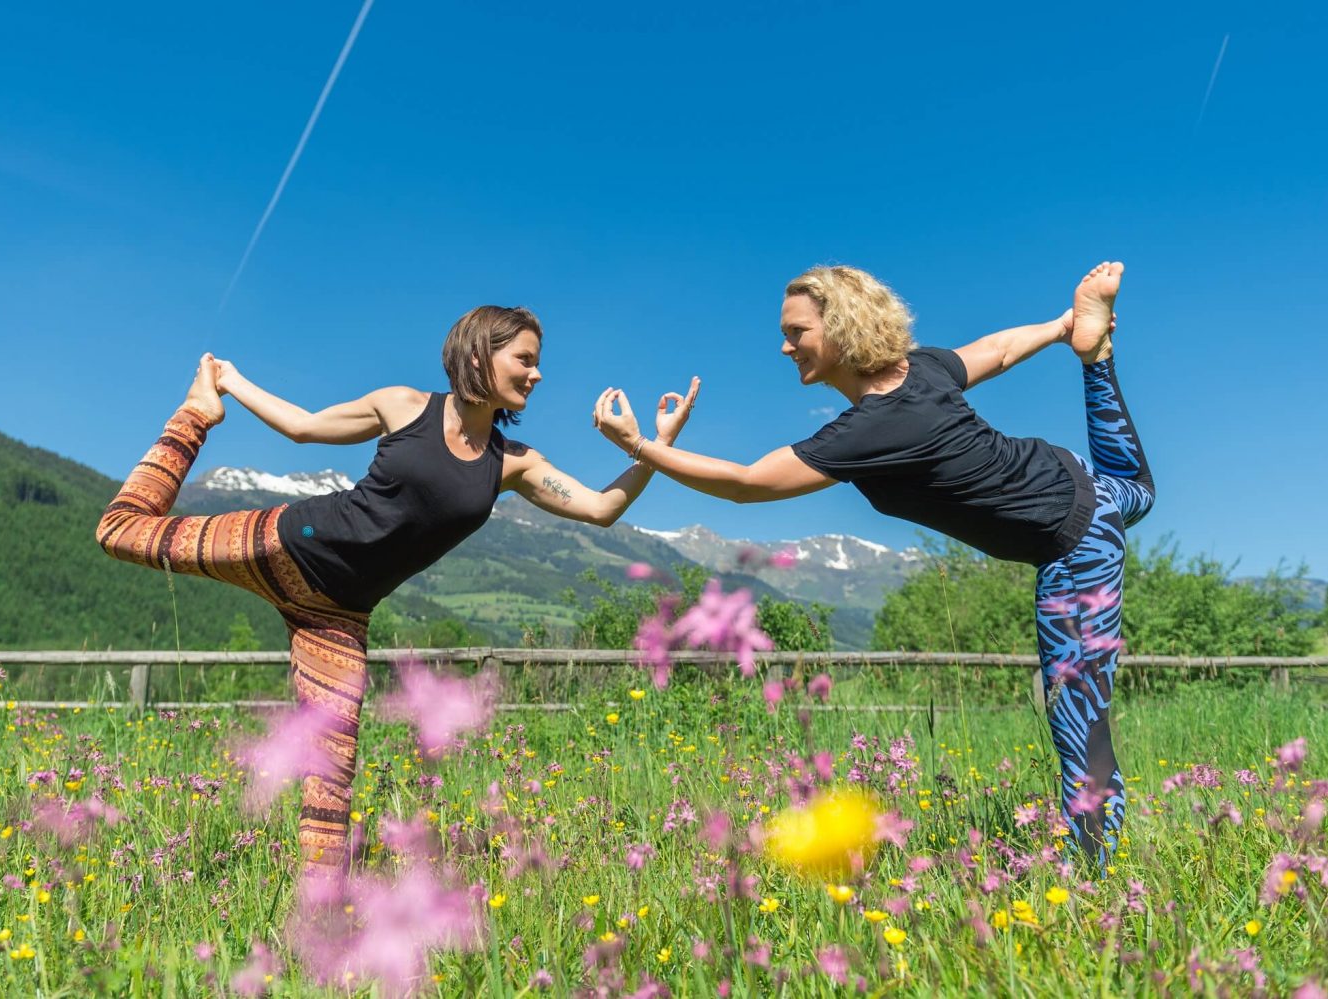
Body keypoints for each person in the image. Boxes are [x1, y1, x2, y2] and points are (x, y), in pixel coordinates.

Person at [97, 305, 697, 870]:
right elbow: (305, 428)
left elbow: (598, 509)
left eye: (538, 363)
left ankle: (320, 920)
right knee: (120, 531)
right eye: (525, 359)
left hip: (339, 615)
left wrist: (654, 447)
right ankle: (195, 412)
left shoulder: (512, 462)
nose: (537, 374)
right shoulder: (404, 406)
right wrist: (226, 383)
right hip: (288, 544)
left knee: (332, 771)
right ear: (480, 355)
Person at [594, 263, 1153, 864]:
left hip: (1072, 542)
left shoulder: (871, 429)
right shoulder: (921, 373)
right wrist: (1060, 325)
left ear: (839, 328)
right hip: (1073, 479)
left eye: (797, 332)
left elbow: (746, 483)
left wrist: (638, 446)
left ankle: (1096, 873)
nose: (785, 347)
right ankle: (1093, 353)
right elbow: (995, 352)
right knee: (1134, 493)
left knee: (1078, 713)